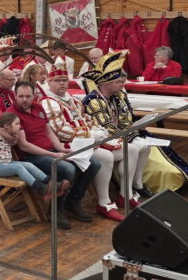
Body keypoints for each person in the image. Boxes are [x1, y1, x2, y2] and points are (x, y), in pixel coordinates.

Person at [9, 81, 102, 230]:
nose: (25, 100)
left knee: (94, 164)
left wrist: (61, 149)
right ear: (15, 95)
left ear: (34, 95)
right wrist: (54, 154)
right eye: (21, 96)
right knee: (67, 169)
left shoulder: (38, 107)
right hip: (31, 157)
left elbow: (48, 131)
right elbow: (23, 145)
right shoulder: (12, 114)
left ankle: (73, 201)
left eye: (28, 96)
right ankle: (56, 210)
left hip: (51, 150)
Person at [40, 63, 122, 221]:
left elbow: (86, 119)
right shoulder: (49, 102)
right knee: (101, 160)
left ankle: (124, 193)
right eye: (58, 80)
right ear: (49, 82)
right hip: (66, 146)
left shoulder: (72, 100)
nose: (62, 83)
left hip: (84, 144)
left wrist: (98, 130)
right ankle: (97, 201)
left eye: (64, 80)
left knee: (123, 152)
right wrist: (89, 134)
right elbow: (60, 131)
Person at [81, 52, 152, 208]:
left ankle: (126, 193)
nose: (122, 86)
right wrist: (131, 131)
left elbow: (122, 119)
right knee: (132, 148)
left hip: (115, 137)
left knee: (136, 148)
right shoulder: (93, 101)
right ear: (106, 83)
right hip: (99, 141)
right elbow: (106, 128)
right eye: (118, 82)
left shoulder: (115, 97)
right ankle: (105, 200)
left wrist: (132, 128)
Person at [0, 113, 69, 200]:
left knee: (28, 164)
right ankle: (41, 189)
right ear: (7, 126)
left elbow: (11, 138)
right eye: (17, 124)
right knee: (18, 167)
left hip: (6, 164)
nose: (20, 126)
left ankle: (50, 183)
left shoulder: (9, 135)